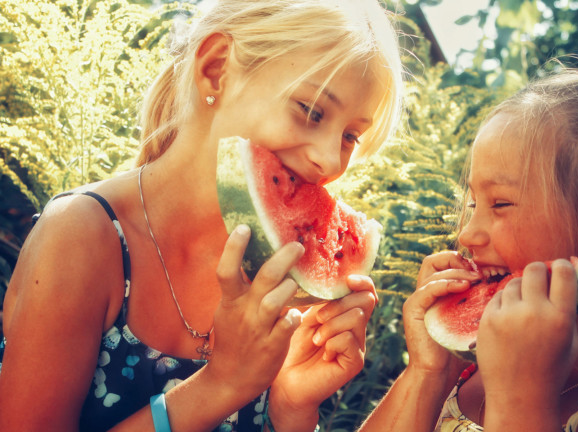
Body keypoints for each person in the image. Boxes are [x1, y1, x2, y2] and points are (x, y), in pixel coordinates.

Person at [0, 0, 404, 430]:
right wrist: (220, 385)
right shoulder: (81, 237)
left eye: (350, 136)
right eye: (310, 111)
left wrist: (292, 408)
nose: (328, 159)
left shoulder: (281, 280)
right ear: (216, 69)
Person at [358, 70, 578, 431]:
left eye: (500, 204)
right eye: (472, 206)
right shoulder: (469, 368)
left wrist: (521, 401)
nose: (467, 235)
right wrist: (427, 371)